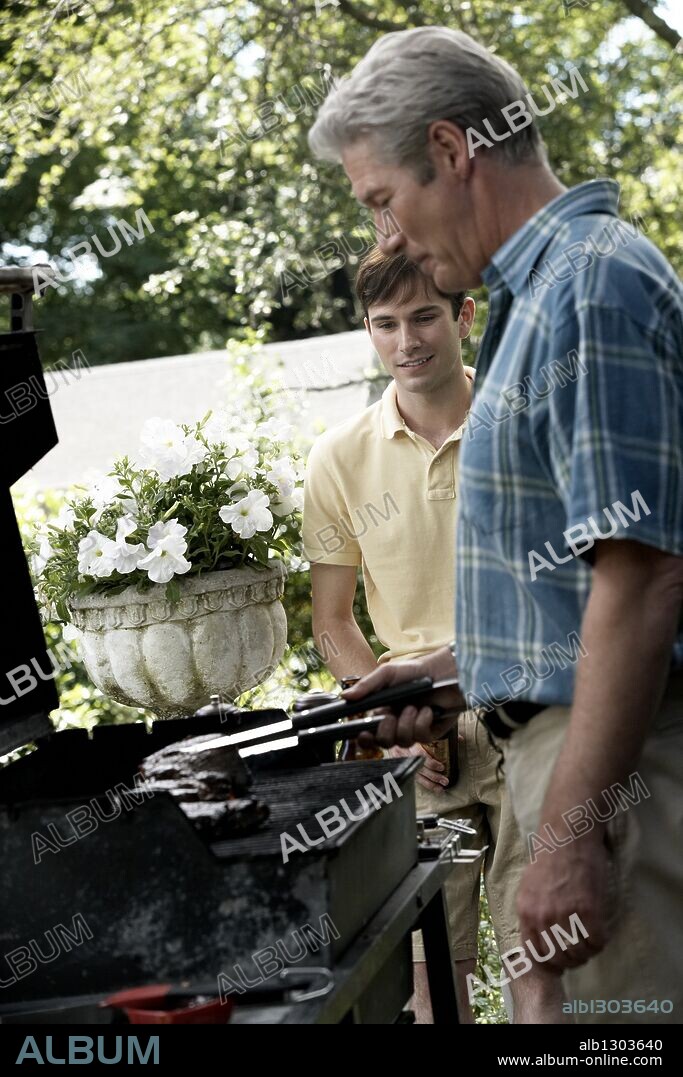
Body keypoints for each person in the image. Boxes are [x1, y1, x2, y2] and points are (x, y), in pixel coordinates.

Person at [308, 26, 683, 1023]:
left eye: (381, 201)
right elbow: (569, 592)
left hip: (615, 779)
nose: (383, 239)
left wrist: (565, 840)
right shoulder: (533, 298)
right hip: (564, 759)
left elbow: (642, 580)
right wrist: (442, 671)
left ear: (446, 151)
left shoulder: (589, 288)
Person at [303, 245, 563, 1023]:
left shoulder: (521, 425)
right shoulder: (336, 459)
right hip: (418, 737)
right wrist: (395, 722)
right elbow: (330, 623)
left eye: (423, 316)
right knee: (428, 979)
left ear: (463, 315)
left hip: (531, 715)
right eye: (385, 324)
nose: (406, 340)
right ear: (368, 331)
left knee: (541, 957)